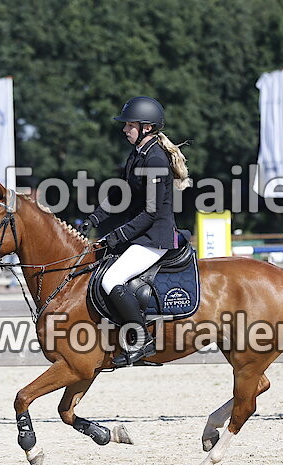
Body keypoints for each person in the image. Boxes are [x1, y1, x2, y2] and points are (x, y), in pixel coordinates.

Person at [80, 96, 190, 367]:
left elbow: (151, 213)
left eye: (129, 125)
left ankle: (142, 340)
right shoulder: (138, 154)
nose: (124, 129)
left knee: (111, 279)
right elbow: (121, 193)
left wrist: (117, 236)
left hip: (155, 237)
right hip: (142, 234)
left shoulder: (154, 159)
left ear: (146, 128)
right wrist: (94, 217)